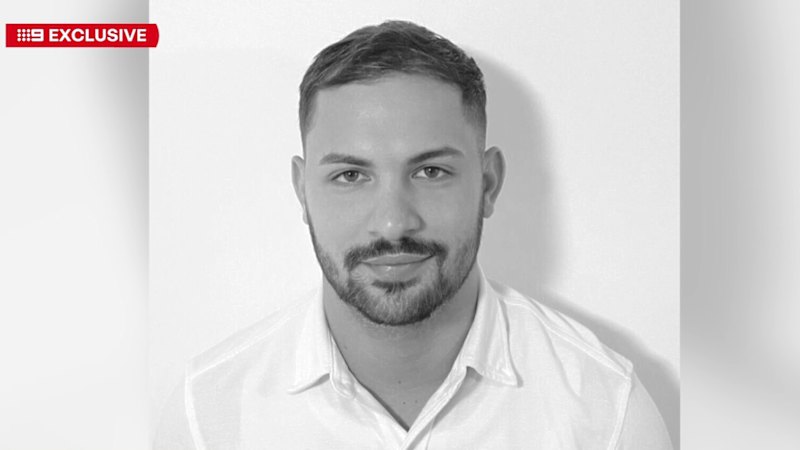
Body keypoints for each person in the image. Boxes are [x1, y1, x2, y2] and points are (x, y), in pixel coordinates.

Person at [155, 20, 673, 449]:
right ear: (302, 191)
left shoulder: (607, 416)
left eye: (430, 172)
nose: (393, 223)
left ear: (488, 184)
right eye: (350, 175)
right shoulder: (208, 417)